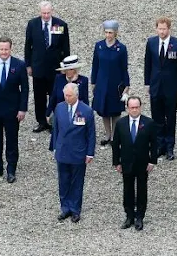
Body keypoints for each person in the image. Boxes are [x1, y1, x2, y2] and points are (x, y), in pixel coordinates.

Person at [0, 37, 29, 183]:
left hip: (12, 110)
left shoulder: (19, 65)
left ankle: (11, 170)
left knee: (12, 140)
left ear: (11, 49)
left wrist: (22, 109)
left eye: (6, 49)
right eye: (1, 49)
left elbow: (25, 89)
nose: (4, 52)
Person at [49, 83, 96, 223]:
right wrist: (55, 147)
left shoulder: (86, 111)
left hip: (78, 152)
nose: (67, 98)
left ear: (76, 95)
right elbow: (56, 129)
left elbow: (91, 134)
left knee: (77, 182)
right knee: (63, 181)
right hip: (63, 151)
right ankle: (65, 208)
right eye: (65, 95)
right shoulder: (59, 108)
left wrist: (90, 153)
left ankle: (75, 209)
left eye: (69, 95)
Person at [144, 17, 177, 160]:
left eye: (164, 29)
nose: (162, 31)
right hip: (155, 85)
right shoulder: (151, 42)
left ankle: (169, 147)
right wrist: (147, 83)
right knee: (156, 117)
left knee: (170, 117)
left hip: (171, 87)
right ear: (156, 28)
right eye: (159, 29)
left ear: (169, 29)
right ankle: (158, 145)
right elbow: (148, 64)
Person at [111, 96, 157, 231]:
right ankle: (129, 216)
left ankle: (140, 217)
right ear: (127, 108)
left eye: (137, 107)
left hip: (143, 163)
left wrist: (152, 161)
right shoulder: (121, 123)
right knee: (128, 189)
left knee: (142, 189)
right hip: (126, 162)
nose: (135, 110)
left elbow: (154, 143)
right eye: (132, 107)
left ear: (141, 107)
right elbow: (116, 144)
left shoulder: (148, 123)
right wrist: (116, 162)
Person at [24, 1, 70, 133]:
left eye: (48, 13)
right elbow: (28, 46)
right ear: (40, 12)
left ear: (52, 11)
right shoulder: (33, 24)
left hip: (55, 68)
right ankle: (42, 121)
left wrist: (65, 67)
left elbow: (65, 47)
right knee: (39, 97)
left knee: (55, 95)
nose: (45, 15)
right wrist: (28, 65)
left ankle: (54, 122)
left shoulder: (60, 25)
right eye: (43, 13)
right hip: (38, 67)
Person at [91, 20, 130, 146]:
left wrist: (127, 85)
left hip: (115, 83)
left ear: (116, 33)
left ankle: (115, 136)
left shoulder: (121, 48)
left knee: (115, 111)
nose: (108, 35)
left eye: (111, 32)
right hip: (102, 83)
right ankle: (108, 134)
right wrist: (93, 82)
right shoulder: (99, 46)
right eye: (106, 32)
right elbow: (95, 65)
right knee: (104, 110)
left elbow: (124, 68)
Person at [46, 55, 89, 122]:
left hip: (77, 114)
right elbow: (53, 97)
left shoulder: (83, 80)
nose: (68, 71)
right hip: (60, 113)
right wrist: (48, 114)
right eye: (66, 69)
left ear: (76, 70)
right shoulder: (59, 78)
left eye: (71, 69)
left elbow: (84, 100)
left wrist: (73, 82)